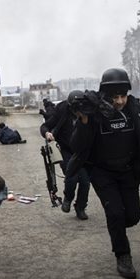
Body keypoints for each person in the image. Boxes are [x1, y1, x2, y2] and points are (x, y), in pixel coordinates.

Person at [68, 68, 140, 279]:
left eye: (123, 96)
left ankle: (118, 227)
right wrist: (83, 123)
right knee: (115, 213)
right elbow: (76, 145)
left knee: (132, 216)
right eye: (115, 97)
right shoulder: (93, 112)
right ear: (105, 95)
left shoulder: (135, 109)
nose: (119, 101)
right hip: (103, 173)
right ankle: (123, 255)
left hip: (129, 171)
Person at [40, 90, 91, 220]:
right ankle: (68, 198)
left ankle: (80, 207)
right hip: (65, 149)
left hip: (82, 151)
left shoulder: (88, 112)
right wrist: (47, 133)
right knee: (72, 176)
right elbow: (45, 126)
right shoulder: (62, 110)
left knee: (85, 181)